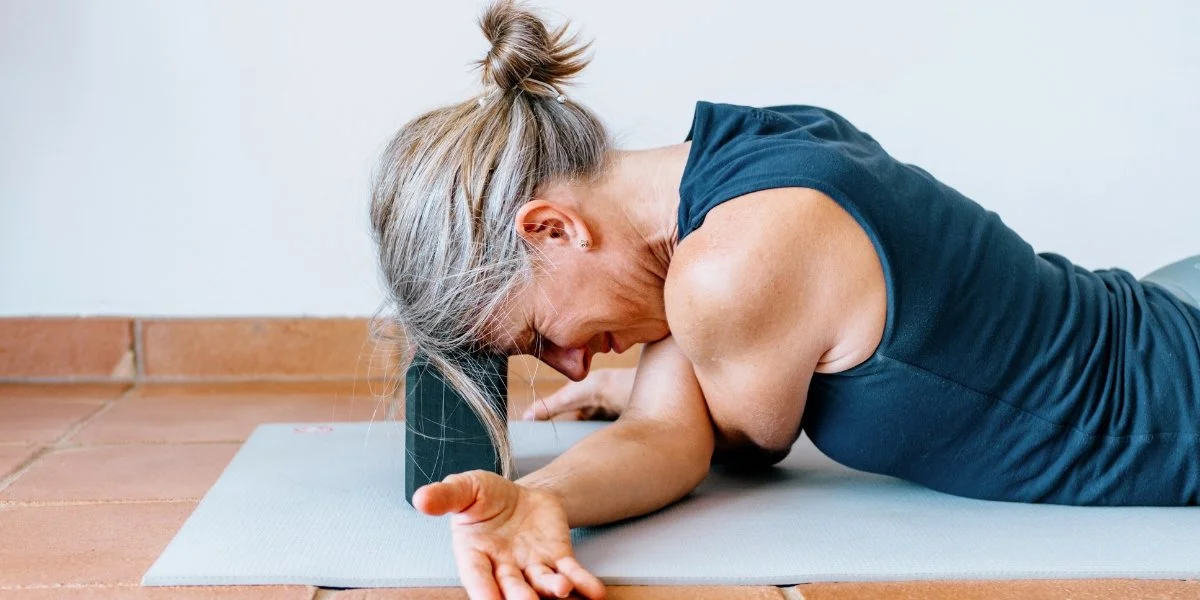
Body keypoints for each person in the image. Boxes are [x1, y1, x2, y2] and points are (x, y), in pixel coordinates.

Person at [368, 2, 1200, 598]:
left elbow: (688, 441)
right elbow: (683, 396)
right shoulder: (745, 146)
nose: (576, 361)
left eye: (541, 335)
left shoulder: (728, 272)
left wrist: (556, 489)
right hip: (1158, 307)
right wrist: (544, 495)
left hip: (1181, 401)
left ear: (551, 229)